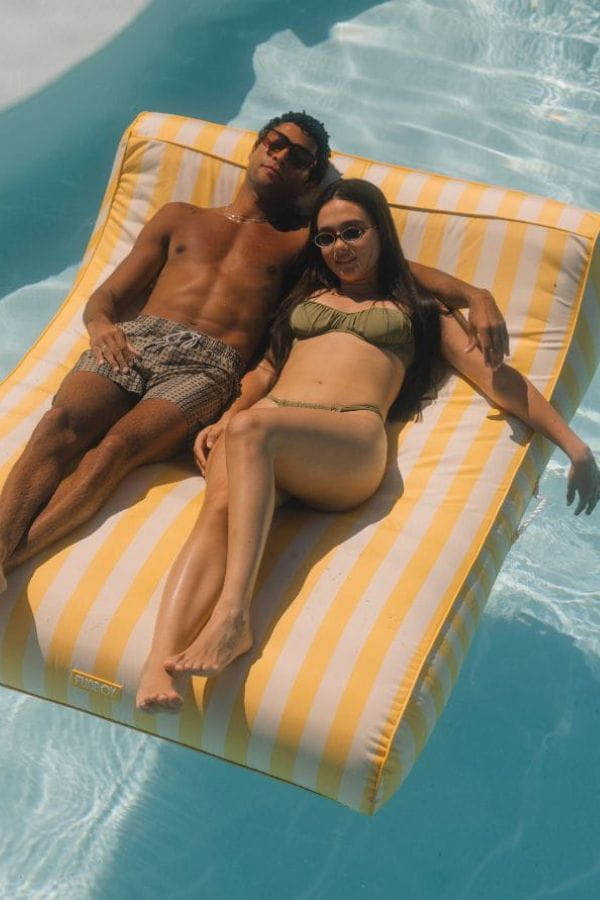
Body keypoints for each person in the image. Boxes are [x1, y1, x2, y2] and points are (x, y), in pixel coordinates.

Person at [135, 178, 600, 712]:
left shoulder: (419, 309)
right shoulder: (305, 298)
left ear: (381, 230)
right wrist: (229, 415)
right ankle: (157, 665)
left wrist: (573, 445)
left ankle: (234, 617)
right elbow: (265, 369)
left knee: (251, 433)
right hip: (267, 436)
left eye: (353, 232)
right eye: (327, 238)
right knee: (215, 513)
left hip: (347, 443)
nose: (340, 247)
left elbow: (498, 380)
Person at [0, 112, 508, 592]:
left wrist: (473, 295)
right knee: (57, 427)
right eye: (276, 143)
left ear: (310, 179)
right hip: (137, 338)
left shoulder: (302, 242)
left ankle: (10, 561)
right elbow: (107, 296)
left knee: (116, 449)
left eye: (299, 158)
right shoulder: (180, 217)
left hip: (212, 365)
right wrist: (100, 324)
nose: (281, 157)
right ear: (257, 146)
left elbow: (391, 264)